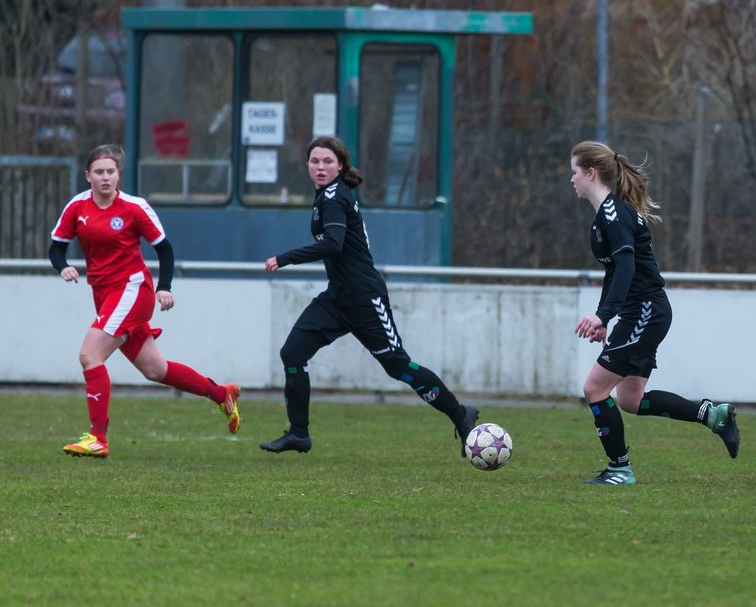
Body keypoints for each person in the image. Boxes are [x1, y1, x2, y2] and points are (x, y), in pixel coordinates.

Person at [261, 136, 477, 454]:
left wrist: (285, 257)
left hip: (364, 297)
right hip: (337, 298)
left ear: (340, 165)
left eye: (327, 162)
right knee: (293, 354)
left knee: (398, 365)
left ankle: (461, 414)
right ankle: (298, 433)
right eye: (314, 161)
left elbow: (333, 243)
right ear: (307, 165)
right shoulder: (325, 195)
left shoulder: (334, 197)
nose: (320, 167)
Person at [49, 144, 241, 458]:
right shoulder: (77, 207)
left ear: (118, 175)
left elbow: (164, 249)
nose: (106, 177)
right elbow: (56, 247)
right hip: (104, 294)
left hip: (133, 289)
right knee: (155, 370)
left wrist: (164, 286)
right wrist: (64, 266)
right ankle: (222, 394)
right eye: (99, 172)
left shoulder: (134, 207)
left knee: (89, 355)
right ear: (88, 176)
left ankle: (98, 437)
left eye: (111, 171)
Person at [570, 140, 740, 484]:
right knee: (630, 400)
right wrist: (607, 317)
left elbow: (627, 269)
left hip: (646, 311)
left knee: (594, 389)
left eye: (573, 172)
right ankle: (713, 415)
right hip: (640, 312)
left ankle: (620, 469)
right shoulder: (604, 216)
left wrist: (603, 315)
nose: (570, 180)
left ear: (590, 173)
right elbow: (615, 272)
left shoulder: (614, 216)